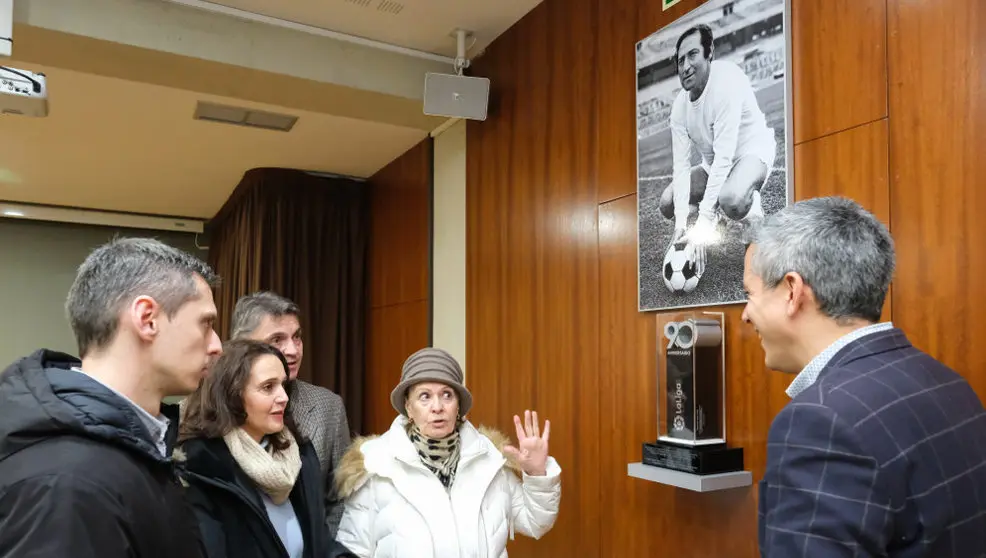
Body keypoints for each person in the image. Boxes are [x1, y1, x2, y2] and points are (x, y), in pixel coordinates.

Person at [743, 196, 986, 557]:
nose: (746, 315)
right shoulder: (945, 381)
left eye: (749, 294)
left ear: (792, 291)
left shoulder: (821, 421)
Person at [0, 237, 223, 557]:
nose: (216, 345)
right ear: (147, 319)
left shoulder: (129, 445)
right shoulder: (68, 484)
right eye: (206, 324)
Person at [334, 347, 561, 557]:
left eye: (447, 395)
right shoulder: (377, 466)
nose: (437, 407)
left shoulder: (490, 460)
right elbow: (353, 550)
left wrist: (537, 474)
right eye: (425, 396)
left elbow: (536, 522)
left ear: (458, 406)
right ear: (408, 407)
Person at [177, 339, 355, 558]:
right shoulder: (202, 468)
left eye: (283, 385)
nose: (284, 397)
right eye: (268, 387)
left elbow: (321, 545)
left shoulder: (300, 455)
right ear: (232, 395)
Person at [229, 291, 352, 535]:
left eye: (297, 337)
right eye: (277, 339)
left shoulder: (328, 407)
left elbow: (340, 499)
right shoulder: (210, 411)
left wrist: (319, 548)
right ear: (242, 345)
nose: (293, 350)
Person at [661, 23, 776, 275]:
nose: (686, 66)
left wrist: (702, 226)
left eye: (692, 54)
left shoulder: (726, 82)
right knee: (668, 202)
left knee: (731, 199)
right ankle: (715, 215)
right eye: (680, 61)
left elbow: (725, 158)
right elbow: (681, 168)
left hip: (751, 153)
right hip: (713, 166)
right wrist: (681, 226)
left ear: (709, 52)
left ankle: (752, 211)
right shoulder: (679, 108)